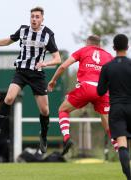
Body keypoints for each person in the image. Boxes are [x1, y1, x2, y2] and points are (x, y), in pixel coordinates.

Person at [0, 7, 61, 153]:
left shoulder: (48, 34)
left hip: (37, 75)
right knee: (9, 98)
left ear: (42, 19)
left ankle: (44, 136)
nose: (34, 19)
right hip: (21, 72)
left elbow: (58, 58)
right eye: (32, 17)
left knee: (45, 110)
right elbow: (7, 41)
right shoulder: (23, 30)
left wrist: (45, 63)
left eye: (37, 17)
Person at [48, 35, 117, 155]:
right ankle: (119, 150)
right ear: (99, 44)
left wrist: (53, 80)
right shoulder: (109, 56)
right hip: (101, 91)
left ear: (87, 43)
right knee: (107, 124)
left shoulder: (83, 50)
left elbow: (63, 66)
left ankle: (66, 138)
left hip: (86, 88)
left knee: (63, 110)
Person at [97, 34, 131, 180]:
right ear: (127, 47)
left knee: (122, 144)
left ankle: (128, 176)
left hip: (116, 109)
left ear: (113, 48)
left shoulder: (107, 67)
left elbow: (100, 91)